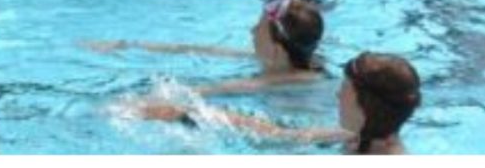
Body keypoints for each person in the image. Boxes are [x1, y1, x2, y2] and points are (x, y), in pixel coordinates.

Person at [141, 52, 422, 155]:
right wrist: (190, 113)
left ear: (365, 105)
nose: (337, 96)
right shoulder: (362, 136)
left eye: (345, 91)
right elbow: (278, 135)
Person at [91, 0, 326, 97]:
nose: (251, 31)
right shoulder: (287, 59)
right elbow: (204, 50)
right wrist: (131, 45)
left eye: (259, 29)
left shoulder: (285, 80)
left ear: (275, 51)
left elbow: (212, 90)